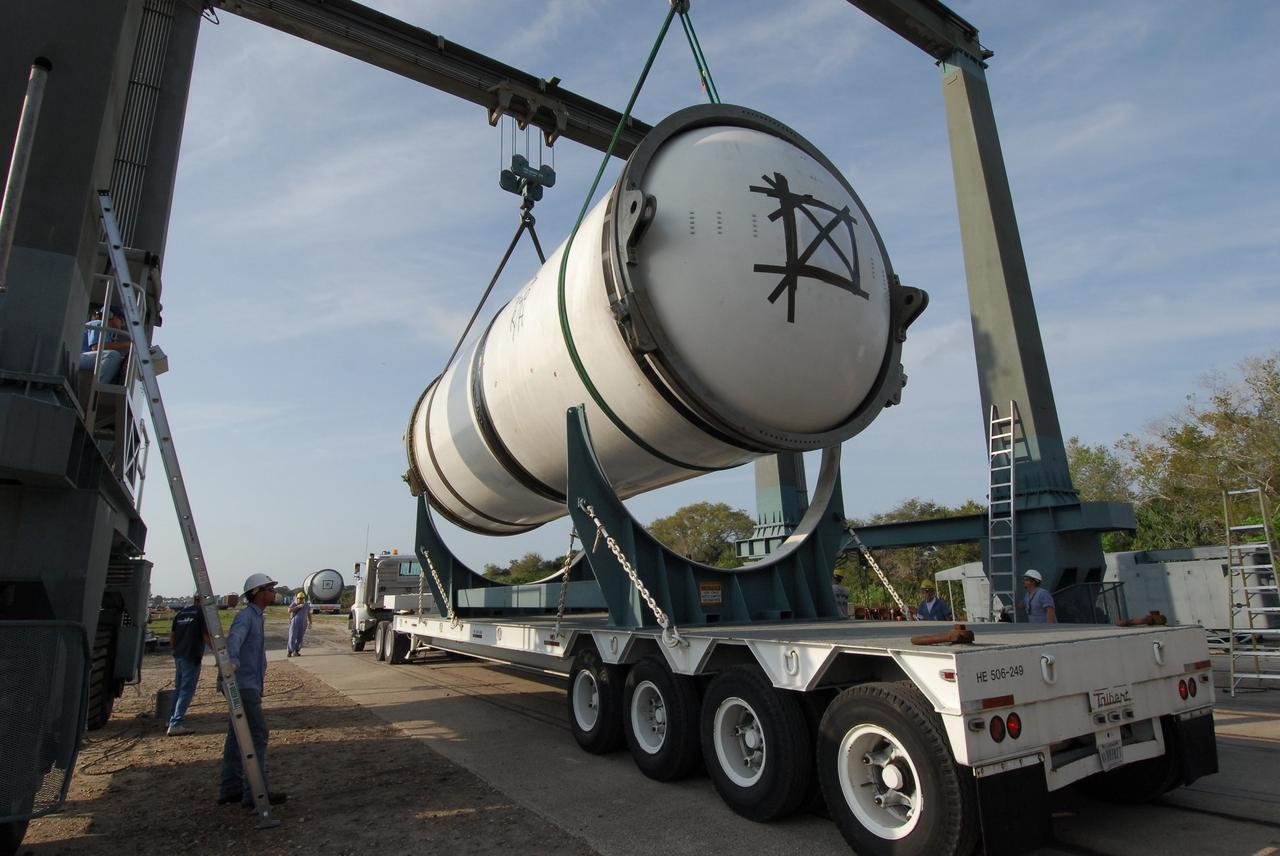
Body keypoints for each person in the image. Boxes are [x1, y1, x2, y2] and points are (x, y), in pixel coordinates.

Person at [217, 573, 288, 809]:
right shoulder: (246, 617)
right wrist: (232, 663)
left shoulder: (257, 617)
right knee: (257, 736)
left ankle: (230, 789)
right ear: (258, 593)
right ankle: (256, 793)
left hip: (248, 685)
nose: (273, 592)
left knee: (236, 737)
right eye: (269, 588)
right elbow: (234, 640)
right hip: (243, 686)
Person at [167, 595, 211, 736]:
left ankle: (170, 719)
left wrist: (175, 650)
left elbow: (172, 636)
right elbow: (205, 636)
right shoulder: (201, 613)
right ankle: (176, 723)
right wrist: (220, 654)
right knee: (186, 690)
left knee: (179, 688)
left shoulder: (181, 613)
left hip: (179, 655)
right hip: (191, 655)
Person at [79, 305, 130, 384]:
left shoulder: (106, 330)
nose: (123, 323)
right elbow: (96, 347)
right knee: (113, 355)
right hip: (80, 357)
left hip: (85, 357)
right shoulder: (99, 324)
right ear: (110, 315)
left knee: (118, 361)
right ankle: (97, 389)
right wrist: (128, 344)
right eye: (121, 318)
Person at [286, 592, 312, 657]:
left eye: (301, 598)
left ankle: (296, 651)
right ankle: (290, 651)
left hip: (303, 623)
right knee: (292, 636)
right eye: (299, 598)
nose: (300, 599)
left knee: (300, 638)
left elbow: (309, 614)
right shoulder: (294, 604)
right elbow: (289, 610)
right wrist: (297, 607)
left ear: (304, 599)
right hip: (294, 623)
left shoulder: (306, 605)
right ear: (297, 598)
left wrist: (310, 622)